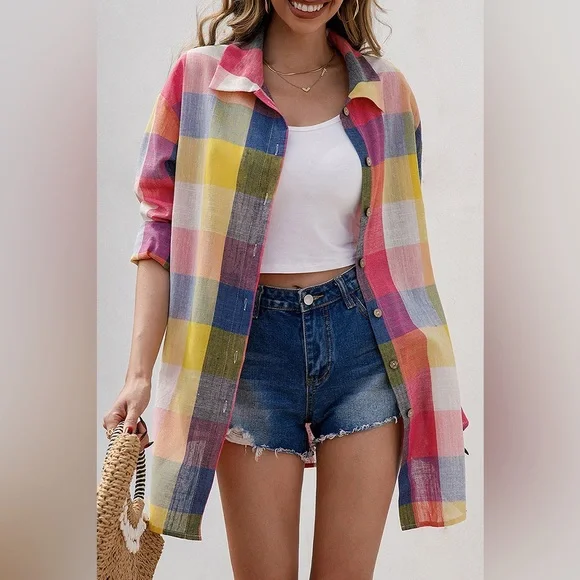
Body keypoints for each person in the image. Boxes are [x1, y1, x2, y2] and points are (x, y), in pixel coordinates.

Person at [103, 1, 470, 578]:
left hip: (363, 349)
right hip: (245, 355)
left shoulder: (387, 92)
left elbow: (394, 238)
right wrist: (138, 375)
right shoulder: (199, 81)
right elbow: (160, 229)